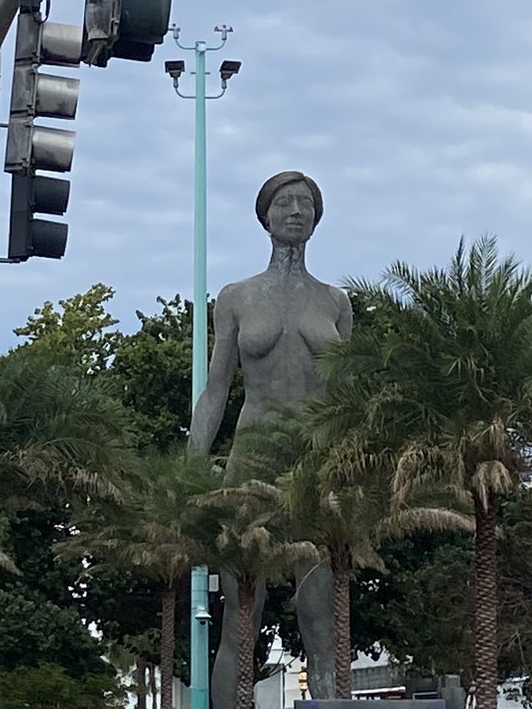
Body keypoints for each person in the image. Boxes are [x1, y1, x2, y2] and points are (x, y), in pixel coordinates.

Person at [188, 171, 352, 704]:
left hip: (313, 465)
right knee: (241, 609)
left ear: (316, 219)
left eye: (307, 203)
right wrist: (191, 470)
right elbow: (215, 392)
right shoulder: (237, 298)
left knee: (320, 613)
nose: (296, 211)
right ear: (266, 216)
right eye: (285, 202)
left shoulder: (335, 302)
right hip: (251, 458)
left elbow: (345, 400)